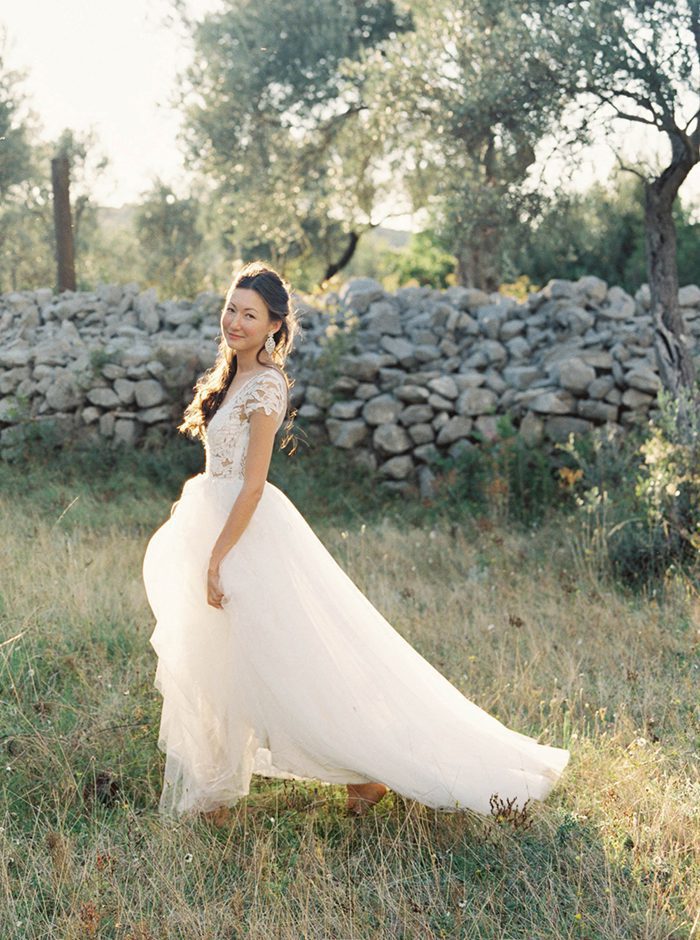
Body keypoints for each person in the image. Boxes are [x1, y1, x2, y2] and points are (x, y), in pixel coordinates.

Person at [142, 260, 570, 821]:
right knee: (221, 659)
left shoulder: (267, 385)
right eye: (231, 308)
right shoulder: (229, 377)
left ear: (275, 325)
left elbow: (253, 485)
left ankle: (368, 769)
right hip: (211, 519)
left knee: (290, 664)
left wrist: (218, 557)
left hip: (243, 531)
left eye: (250, 314)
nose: (235, 321)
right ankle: (217, 788)